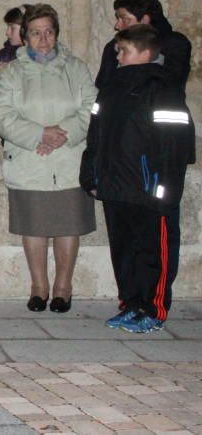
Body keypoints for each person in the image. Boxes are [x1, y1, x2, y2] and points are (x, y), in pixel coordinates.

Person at [80, 25, 196, 333]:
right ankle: (130, 303)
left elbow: (174, 145)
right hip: (116, 186)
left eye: (124, 51)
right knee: (124, 250)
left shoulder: (162, 89)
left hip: (149, 189)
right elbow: (97, 135)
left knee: (152, 251)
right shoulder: (111, 88)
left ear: (146, 54)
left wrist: (164, 188)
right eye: (118, 50)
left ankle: (153, 308)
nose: (117, 56)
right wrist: (91, 174)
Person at [0, 4, 97, 313]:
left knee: (67, 226)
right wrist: (39, 134)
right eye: (36, 33)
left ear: (57, 34)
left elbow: (92, 106)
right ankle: (39, 286)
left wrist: (63, 133)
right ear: (24, 37)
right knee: (34, 227)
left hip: (68, 158)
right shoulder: (12, 72)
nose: (43, 39)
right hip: (29, 158)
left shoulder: (75, 68)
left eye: (49, 32)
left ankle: (63, 287)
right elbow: (0, 114)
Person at [95, 0, 192, 91]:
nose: (117, 25)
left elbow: (170, 85)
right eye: (118, 19)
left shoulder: (175, 44)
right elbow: (102, 87)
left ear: (144, 20)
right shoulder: (112, 47)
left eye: (124, 19)